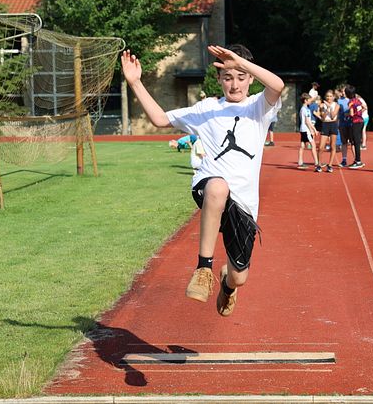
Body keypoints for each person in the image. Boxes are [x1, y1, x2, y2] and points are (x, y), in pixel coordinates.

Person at [121, 44, 284, 317]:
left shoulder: (259, 107)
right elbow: (161, 119)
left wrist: (239, 63)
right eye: (228, 78)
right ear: (218, 79)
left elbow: (277, 85)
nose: (234, 85)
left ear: (250, 78)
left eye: (241, 77)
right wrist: (136, 82)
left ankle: (227, 284)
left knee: (239, 276)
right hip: (209, 187)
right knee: (218, 187)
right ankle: (203, 268)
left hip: (244, 203)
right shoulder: (207, 108)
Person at [313, 90, 339, 173]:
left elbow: (332, 116)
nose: (329, 98)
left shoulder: (337, 105)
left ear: (334, 97)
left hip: (333, 124)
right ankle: (319, 164)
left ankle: (330, 165)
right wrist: (326, 108)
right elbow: (323, 117)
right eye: (327, 96)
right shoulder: (322, 105)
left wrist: (330, 107)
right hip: (325, 125)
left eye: (331, 96)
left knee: (332, 146)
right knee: (321, 147)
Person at [345, 86, 365, 169]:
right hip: (361, 120)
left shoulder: (350, 102)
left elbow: (352, 114)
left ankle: (358, 161)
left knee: (355, 142)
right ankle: (357, 160)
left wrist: (347, 114)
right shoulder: (358, 100)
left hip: (355, 122)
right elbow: (364, 108)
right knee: (355, 141)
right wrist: (359, 113)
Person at [297, 93, 319, 169]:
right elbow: (307, 121)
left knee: (302, 146)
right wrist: (312, 130)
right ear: (305, 100)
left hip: (303, 129)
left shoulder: (306, 109)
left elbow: (308, 121)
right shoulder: (304, 109)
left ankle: (300, 162)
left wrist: (314, 129)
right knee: (313, 145)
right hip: (306, 130)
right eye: (309, 100)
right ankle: (316, 162)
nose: (311, 101)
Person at [336, 86, 352, 167]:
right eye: (342, 91)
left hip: (352, 124)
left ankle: (356, 160)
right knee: (344, 142)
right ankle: (344, 160)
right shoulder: (339, 101)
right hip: (342, 124)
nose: (343, 93)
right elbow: (337, 113)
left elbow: (363, 108)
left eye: (345, 91)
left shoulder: (352, 100)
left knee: (353, 143)